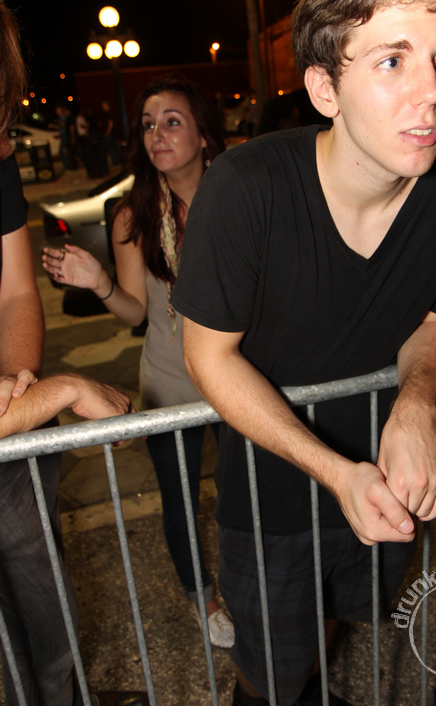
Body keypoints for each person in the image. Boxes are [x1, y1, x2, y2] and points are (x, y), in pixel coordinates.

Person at [172, 0, 436, 706]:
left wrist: (417, 408)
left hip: (388, 478)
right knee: (270, 673)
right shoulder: (245, 190)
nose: (432, 91)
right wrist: (332, 473)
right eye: (392, 60)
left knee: (338, 623)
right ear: (324, 89)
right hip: (271, 491)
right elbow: (207, 356)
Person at [43, 77, 234, 649]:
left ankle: (249, 583)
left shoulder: (236, 195)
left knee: (244, 491)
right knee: (179, 500)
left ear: (204, 135)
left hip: (237, 376)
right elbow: (135, 311)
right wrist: (100, 282)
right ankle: (203, 598)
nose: (157, 135)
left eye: (172, 121)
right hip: (169, 381)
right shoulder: (133, 215)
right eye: (149, 125)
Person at [0, 1, 143, 706]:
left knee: (45, 601)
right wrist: (57, 391)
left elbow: (15, 294)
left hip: (10, 431)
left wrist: (15, 382)